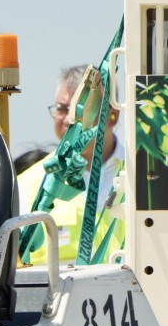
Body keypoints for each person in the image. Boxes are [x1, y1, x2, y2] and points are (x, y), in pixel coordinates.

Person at [17, 64, 124, 265]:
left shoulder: (146, 176)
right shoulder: (26, 185)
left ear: (113, 115)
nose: (69, 119)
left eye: (82, 110)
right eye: (62, 109)